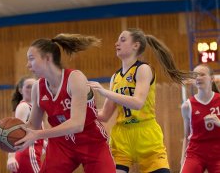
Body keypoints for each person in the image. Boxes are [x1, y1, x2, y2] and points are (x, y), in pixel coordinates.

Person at [87, 28, 193, 173]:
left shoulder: (143, 69)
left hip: (146, 135)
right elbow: (105, 115)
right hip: (122, 137)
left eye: (122, 40)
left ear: (135, 45)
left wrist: (104, 92)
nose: (116, 43)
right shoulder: (115, 77)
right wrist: (82, 110)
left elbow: (138, 102)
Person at [15, 34, 116, 173]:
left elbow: (77, 124)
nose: (28, 65)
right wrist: (11, 135)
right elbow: (32, 125)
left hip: (91, 141)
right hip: (61, 144)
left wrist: (38, 134)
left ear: (47, 58)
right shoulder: (38, 87)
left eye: (31, 59)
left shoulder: (75, 78)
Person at [180, 64, 220, 173]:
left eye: (202, 75)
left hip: (218, 153)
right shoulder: (187, 106)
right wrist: (182, 160)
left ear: (211, 79)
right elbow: (186, 136)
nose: (198, 77)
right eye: (195, 75)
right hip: (196, 153)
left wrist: (218, 122)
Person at [7, 76, 44, 173]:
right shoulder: (24, 106)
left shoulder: (35, 108)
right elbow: (15, 132)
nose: (32, 89)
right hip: (28, 154)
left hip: (33, 153)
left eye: (34, 86)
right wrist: (11, 157)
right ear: (20, 90)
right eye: (28, 87)